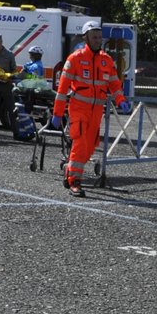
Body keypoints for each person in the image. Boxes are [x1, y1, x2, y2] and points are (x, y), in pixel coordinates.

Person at [49, 20, 127, 196]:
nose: (98, 39)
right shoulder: (75, 59)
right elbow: (62, 90)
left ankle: (69, 170)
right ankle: (75, 182)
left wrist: (121, 100)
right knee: (81, 144)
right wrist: (57, 113)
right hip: (79, 109)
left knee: (91, 147)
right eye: (94, 37)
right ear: (86, 38)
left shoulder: (107, 61)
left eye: (99, 37)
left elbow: (114, 84)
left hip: (96, 112)